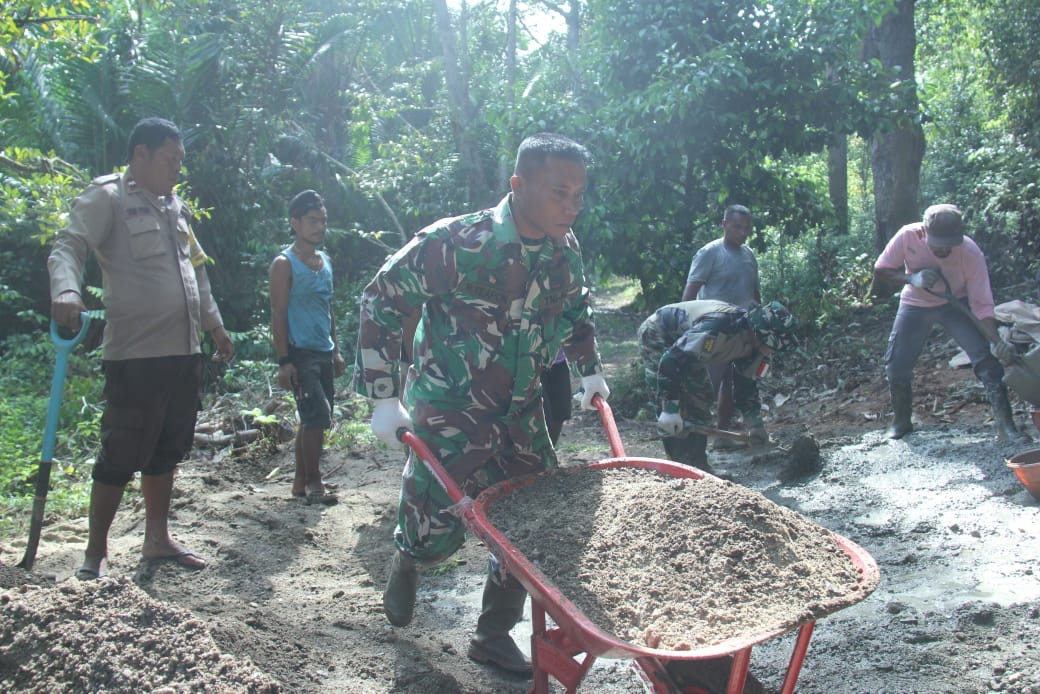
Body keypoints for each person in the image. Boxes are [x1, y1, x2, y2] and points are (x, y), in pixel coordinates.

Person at [355, 133, 609, 678]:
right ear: (518, 186)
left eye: (579, 195)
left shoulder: (566, 250)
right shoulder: (456, 243)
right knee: (433, 526)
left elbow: (576, 310)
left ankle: (492, 636)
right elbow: (381, 298)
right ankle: (409, 556)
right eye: (559, 192)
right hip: (450, 412)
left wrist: (590, 371)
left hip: (521, 413)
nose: (572, 206)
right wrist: (382, 396)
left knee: (535, 523)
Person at [47, 117, 234, 580]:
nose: (176, 168)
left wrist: (215, 327)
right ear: (141, 155)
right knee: (122, 448)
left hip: (183, 350)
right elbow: (67, 246)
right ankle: (94, 552)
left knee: (167, 447)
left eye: (180, 160)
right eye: (170, 159)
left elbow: (198, 274)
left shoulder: (177, 208)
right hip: (135, 352)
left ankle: (156, 539)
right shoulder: (108, 196)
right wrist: (67, 291)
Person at [873, 203, 1029, 442]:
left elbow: (981, 304)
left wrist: (996, 341)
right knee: (896, 365)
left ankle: (1005, 426)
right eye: (939, 243)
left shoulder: (971, 253)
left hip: (956, 304)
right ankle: (901, 422)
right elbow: (881, 269)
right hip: (915, 304)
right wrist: (911, 278)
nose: (945, 248)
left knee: (986, 361)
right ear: (924, 232)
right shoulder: (907, 236)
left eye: (950, 242)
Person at [638, 300, 797, 474]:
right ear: (765, 335)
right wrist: (670, 408)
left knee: (701, 398)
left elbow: (746, 385)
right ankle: (680, 469)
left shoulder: (755, 348)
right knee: (673, 408)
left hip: (686, 350)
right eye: (773, 347)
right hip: (660, 334)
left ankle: (699, 467)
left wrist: (755, 424)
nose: (773, 352)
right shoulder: (719, 327)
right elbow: (670, 361)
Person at [269, 190, 345, 505]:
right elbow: (278, 312)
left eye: (323, 221)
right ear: (295, 223)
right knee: (317, 416)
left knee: (311, 417)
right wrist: (284, 360)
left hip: (323, 349)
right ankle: (315, 481)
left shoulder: (325, 261)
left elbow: (328, 308)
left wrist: (337, 349)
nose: (319, 227)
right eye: (313, 221)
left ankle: (300, 482)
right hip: (299, 351)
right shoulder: (284, 264)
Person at [681, 205, 762, 450]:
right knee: (711, 382)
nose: (743, 232)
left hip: (743, 329)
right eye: (738, 227)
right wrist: (687, 325)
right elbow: (691, 290)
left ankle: (723, 435)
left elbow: (755, 293)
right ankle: (694, 440)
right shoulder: (710, 253)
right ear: (724, 224)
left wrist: (760, 320)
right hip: (714, 328)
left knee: (734, 383)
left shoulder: (748, 255)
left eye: (747, 228)